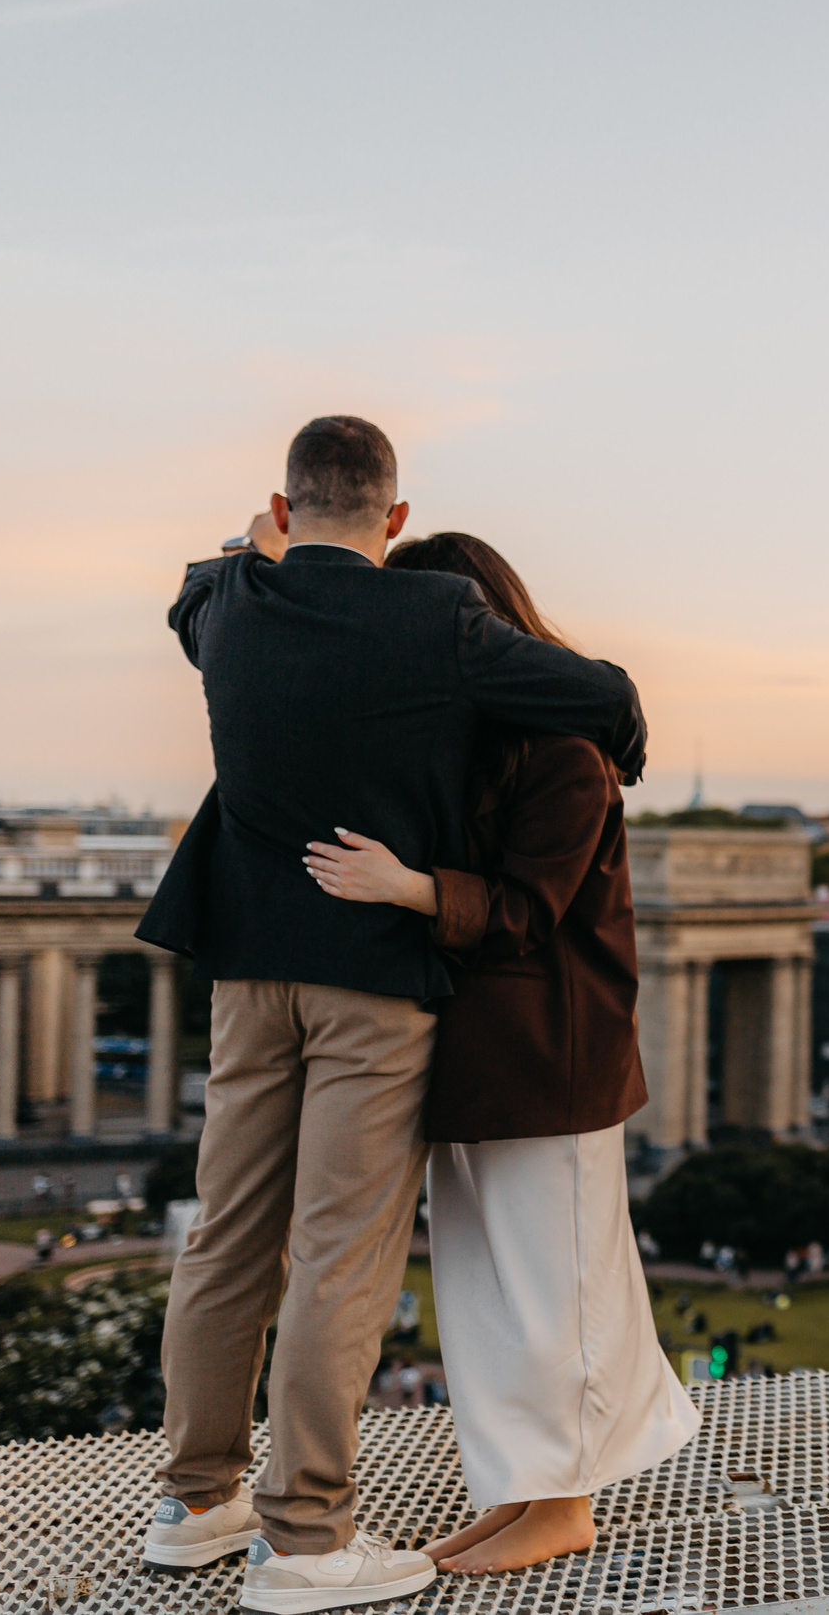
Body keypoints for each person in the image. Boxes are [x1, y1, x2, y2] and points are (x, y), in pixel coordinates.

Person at [135, 418, 647, 1613]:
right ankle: (306, 1542)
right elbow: (605, 701)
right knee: (340, 1258)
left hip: (245, 975)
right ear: (396, 519)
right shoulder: (438, 623)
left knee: (222, 1239)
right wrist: (619, 737)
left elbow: (201, 587)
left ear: (279, 504)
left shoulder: (224, 607)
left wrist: (244, 552)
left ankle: (192, 1502)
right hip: (373, 980)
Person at [301, 531, 698, 1575]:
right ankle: (526, 1490)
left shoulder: (566, 751)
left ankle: (563, 1505)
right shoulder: (477, 745)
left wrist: (408, 888)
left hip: (548, 1060)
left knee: (553, 1286)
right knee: (485, 1289)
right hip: (482, 1059)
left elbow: (528, 913)